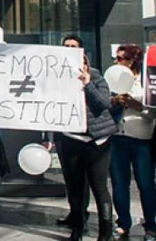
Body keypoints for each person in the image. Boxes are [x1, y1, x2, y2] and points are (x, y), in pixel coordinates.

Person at [55, 52, 117, 241]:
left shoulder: (96, 75)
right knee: (76, 187)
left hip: (97, 140)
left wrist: (87, 84)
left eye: (80, 60)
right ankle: (77, 229)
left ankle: (105, 233)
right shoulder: (58, 79)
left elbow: (104, 103)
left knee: (99, 187)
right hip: (72, 137)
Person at [110, 44, 156, 241]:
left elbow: (155, 111)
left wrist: (136, 105)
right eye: (116, 58)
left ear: (132, 61)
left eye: (121, 58)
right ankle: (123, 223)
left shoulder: (146, 82)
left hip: (141, 138)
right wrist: (114, 101)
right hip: (118, 137)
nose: (116, 61)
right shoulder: (113, 78)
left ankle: (150, 226)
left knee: (145, 183)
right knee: (119, 183)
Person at [47, 34, 91, 230]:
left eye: (73, 46)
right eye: (66, 46)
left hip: (85, 136)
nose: (69, 49)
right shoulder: (54, 75)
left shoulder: (91, 74)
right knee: (70, 178)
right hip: (64, 135)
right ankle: (74, 213)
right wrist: (49, 136)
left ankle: (82, 216)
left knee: (83, 180)